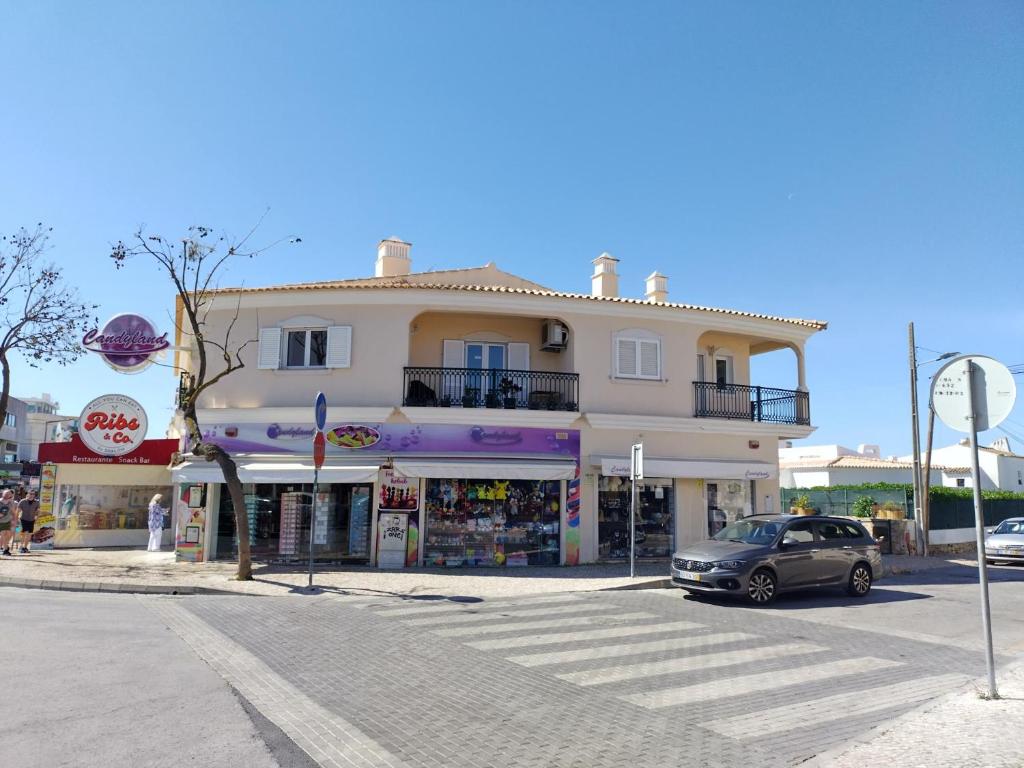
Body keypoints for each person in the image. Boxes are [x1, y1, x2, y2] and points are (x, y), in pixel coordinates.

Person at [16, 490, 39, 554]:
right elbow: (17, 511)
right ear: (27, 494)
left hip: (31, 520)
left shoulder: (37, 502)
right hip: (23, 519)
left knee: (29, 534)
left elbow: (37, 511)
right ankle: (21, 546)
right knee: (24, 533)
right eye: (30, 494)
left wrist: (36, 518)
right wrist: (16, 519)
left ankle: (25, 547)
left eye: (33, 494)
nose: (32, 495)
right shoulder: (22, 501)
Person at [0, 489, 15, 556]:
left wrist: (14, 520)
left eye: (8, 494)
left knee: (8, 535)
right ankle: (5, 549)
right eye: (5, 493)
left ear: (10, 495)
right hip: (1, 521)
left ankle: (5, 547)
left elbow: (13, 512)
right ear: (2, 494)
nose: (7, 495)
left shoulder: (10, 503)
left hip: (8, 521)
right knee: (3, 534)